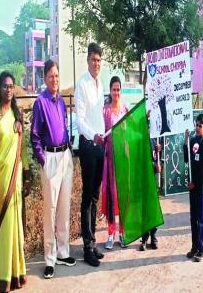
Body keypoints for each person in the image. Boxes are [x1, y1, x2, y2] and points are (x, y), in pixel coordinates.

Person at [0, 71, 31, 292]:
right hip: (2, 183)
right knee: (4, 229)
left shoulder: (16, 114)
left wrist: (27, 170)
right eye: (5, 86)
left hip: (17, 180)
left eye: (12, 86)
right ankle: (3, 276)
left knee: (17, 229)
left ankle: (17, 273)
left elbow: (21, 149)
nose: (9, 90)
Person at [31, 60, 76, 279]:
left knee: (64, 207)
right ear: (45, 78)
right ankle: (49, 259)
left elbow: (65, 127)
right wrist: (42, 159)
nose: (55, 79)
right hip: (49, 158)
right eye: (51, 76)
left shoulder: (60, 102)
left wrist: (69, 151)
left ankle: (63, 252)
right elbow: (35, 135)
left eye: (57, 75)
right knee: (49, 211)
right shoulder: (41, 102)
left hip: (65, 155)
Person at [75, 43, 106, 267]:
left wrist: (103, 135)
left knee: (95, 194)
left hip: (100, 145)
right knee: (87, 197)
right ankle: (87, 248)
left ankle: (93, 242)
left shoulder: (100, 83)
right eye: (93, 59)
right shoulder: (82, 84)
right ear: (88, 61)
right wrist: (93, 135)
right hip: (87, 145)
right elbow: (80, 120)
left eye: (99, 60)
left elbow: (99, 116)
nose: (96, 63)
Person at [102, 76, 129, 250]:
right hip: (110, 161)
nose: (116, 92)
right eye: (113, 89)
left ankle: (123, 233)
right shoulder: (105, 111)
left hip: (123, 161)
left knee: (123, 197)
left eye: (118, 89)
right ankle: (111, 234)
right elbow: (101, 133)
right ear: (110, 91)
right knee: (112, 198)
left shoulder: (126, 110)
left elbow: (131, 133)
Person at [183, 114, 203, 262]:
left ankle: (201, 248)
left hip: (199, 187)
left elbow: (201, 168)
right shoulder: (192, 141)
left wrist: (195, 184)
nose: (198, 128)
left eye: (200, 126)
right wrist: (185, 142)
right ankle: (194, 247)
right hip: (191, 186)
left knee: (200, 218)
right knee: (193, 218)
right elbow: (187, 159)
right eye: (196, 125)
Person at [139, 139, 162, 251]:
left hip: (152, 179)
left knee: (153, 209)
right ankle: (144, 238)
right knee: (144, 210)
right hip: (143, 178)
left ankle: (153, 237)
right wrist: (154, 165)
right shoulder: (139, 139)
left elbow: (155, 157)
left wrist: (159, 152)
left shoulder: (154, 139)